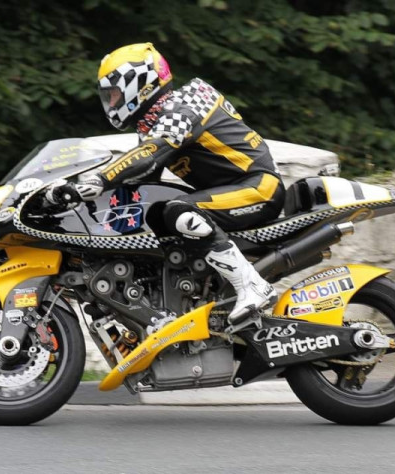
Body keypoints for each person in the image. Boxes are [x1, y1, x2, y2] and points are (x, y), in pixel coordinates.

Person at [47, 42, 285, 326]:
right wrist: (74, 196)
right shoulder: (153, 123)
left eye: (114, 94)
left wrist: (99, 179)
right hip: (232, 193)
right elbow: (139, 182)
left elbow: (147, 155)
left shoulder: (186, 103)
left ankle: (252, 286)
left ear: (140, 85)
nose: (111, 103)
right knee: (156, 216)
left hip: (259, 188)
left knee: (179, 211)